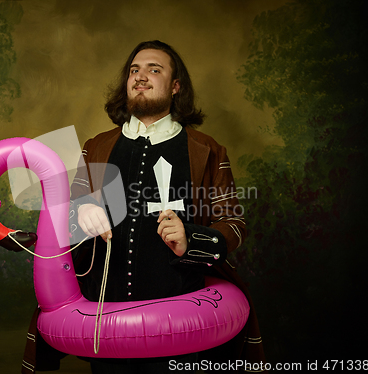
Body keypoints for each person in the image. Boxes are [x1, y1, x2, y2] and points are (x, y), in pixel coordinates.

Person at [22, 40, 266, 373]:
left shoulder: (207, 150)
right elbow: (62, 225)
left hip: (184, 326)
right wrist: (78, 212)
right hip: (105, 323)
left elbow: (234, 225)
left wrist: (190, 239)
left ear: (176, 86)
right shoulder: (96, 147)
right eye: (134, 70)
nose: (141, 76)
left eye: (155, 69)